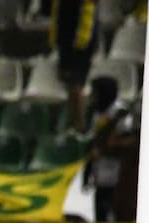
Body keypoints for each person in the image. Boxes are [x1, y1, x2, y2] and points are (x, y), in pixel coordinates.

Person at [84, 75, 138, 223]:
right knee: (100, 219)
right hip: (100, 176)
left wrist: (107, 147)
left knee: (117, 218)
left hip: (118, 177)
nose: (92, 96)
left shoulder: (121, 113)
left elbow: (130, 142)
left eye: (95, 92)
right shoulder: (96, 112)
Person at [50, 0, 100, 133]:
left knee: (76, 84)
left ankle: (79, 126)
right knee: (67, 83)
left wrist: (82, 39)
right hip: (65, 36)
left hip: (81, 38)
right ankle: (70, 122)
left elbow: (89, 9)